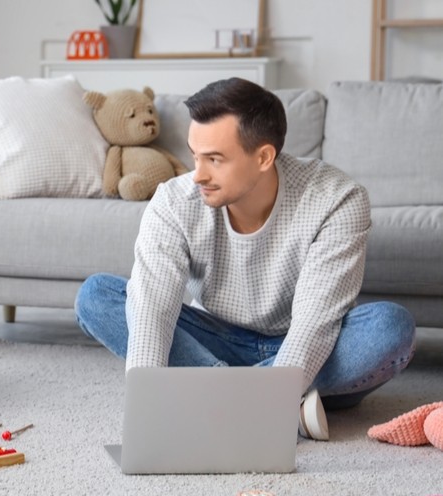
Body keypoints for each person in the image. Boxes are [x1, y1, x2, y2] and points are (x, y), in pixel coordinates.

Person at [74, 77, 416, 441]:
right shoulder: (174, 201)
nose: (198, 174)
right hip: (215, 337)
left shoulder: (337, 199)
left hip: (308, 342)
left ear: (264, 157)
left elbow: (315, 324)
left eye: (214, 159)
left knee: (389, 327)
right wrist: (148, 405)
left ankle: (217, 398)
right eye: (195, 155)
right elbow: (152, 305)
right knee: (97, 296)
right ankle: (278, 405)